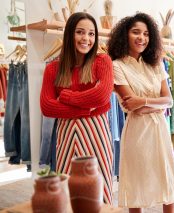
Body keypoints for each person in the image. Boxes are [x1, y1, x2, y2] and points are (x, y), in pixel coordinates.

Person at [108, 13, 174, 213]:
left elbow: (170, 101)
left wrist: (144, 101)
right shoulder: (117, 66)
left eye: (146, 34)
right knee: (136, 187)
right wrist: (156, 104)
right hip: (137, 132)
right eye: (136, 32)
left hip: (160, 131)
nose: (142, 38)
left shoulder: (156, 64)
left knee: (169, 184)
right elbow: (131, 105)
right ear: (125, 35)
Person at [40, 12, 114, 204]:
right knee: (67, 185)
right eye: (80, 32)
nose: (86, 39)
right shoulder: (53, 69)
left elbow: (102, 96)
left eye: (91, 34)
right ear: (69, 34)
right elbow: (47, 107)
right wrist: (85, 109)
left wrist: (67, 97)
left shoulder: (102, 61)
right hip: (66, 135)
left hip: (96, 133)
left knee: (100, 183)